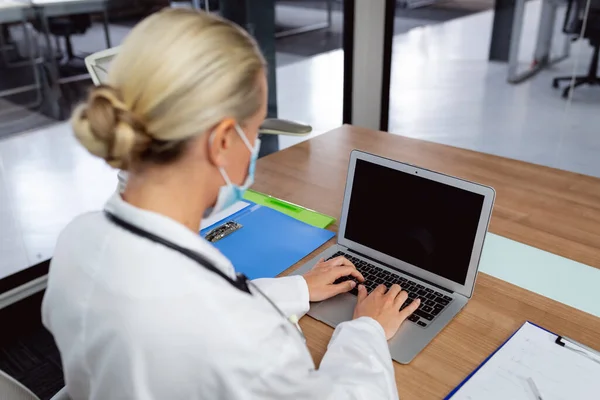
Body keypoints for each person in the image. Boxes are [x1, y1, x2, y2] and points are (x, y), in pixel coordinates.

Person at [42, 9, 420, 400]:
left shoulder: (78, 239)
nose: (254, 146)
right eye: (254, 131)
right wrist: (367, 329)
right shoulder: (244, 340)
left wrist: (298, 288)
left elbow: (195, 313)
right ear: (222, 140)